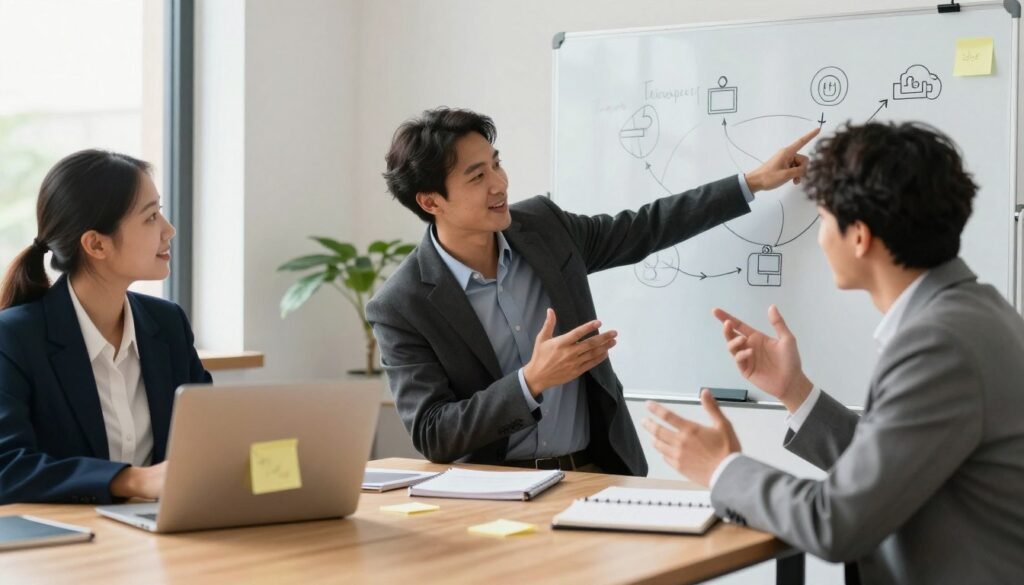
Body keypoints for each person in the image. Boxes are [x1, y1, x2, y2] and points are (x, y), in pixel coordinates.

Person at [643, 122, 1024, 583]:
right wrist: (795, 391)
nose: (821, 238)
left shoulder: (940, 344)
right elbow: (891, 468)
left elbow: (837, 522)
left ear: (859, 237)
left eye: (822, 221)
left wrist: (722, 470)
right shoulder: (973, 313)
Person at [366, 106, 817, 474]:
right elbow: (432, 433)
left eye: (496, 164)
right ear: (431, 202)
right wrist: (532, 381)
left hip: (595, 473)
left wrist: (753, 181)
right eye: (476, 176)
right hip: (491, 501)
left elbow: (645, 227)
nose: (499, 183)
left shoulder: (544, 227)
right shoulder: (401, 305)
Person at [0, 149, 212, 505]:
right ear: (96, 244)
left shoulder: (167, 323)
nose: (168, 229)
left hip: (165, 531)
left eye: (159, 212)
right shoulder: (15, 338)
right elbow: (8, 468)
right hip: (68, 547)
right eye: (150, 217)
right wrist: (131, 481)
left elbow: (211, 434)